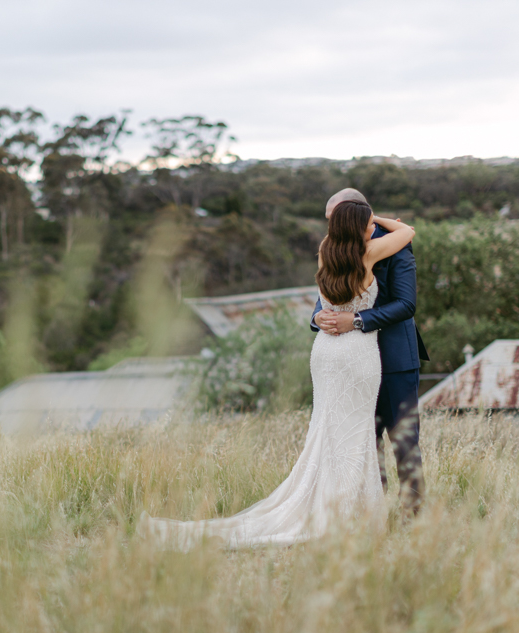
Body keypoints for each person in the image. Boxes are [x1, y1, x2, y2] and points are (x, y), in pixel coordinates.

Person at [140, 194, 416, 550]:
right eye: (365, 224)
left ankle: (340, 506)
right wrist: (377, 217)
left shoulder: (325, 251)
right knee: (355, 434)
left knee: (332, 432)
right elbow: (408, 230)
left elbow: (328, 299)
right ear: (360, 227)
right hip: (356, 353)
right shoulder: (369, 253)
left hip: (327, 354)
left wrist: (322, 314)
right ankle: (349, 513)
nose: (370, 227)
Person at [311, 188, 429, 516]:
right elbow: (326, 292)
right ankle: (368, 513)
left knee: (404, 443)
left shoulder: (394, 245)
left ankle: (412, 517)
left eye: (335, 219)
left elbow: (406, 304)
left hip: (393, 359)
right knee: (358, 441)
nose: (331, 227)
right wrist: (317, 316)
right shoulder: (333, 247)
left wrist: (357, 320)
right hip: (348, 361)